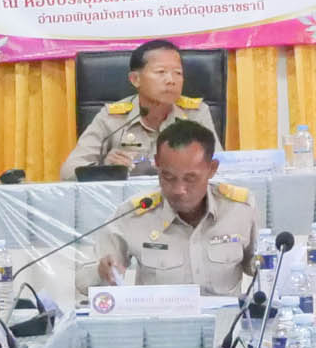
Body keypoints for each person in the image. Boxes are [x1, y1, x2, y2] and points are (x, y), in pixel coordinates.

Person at [88, 119, 262, 294]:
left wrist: (267, 265)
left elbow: (261, 268)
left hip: (227, 312)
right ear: (157, 164)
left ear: (212, 168)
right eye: (168, 177)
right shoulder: (135, 213)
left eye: (190, 178)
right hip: (159, 311)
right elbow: (83, 279)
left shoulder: (240, 209)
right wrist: (100, 271)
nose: (179, 190)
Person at [61, 40, 208, 178]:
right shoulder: (112, 117)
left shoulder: (196, 114)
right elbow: (69, 172)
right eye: (161, 72)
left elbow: (218, 168)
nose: (171, 80)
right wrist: (105, 169)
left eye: (178, 73)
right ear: (135, 79)